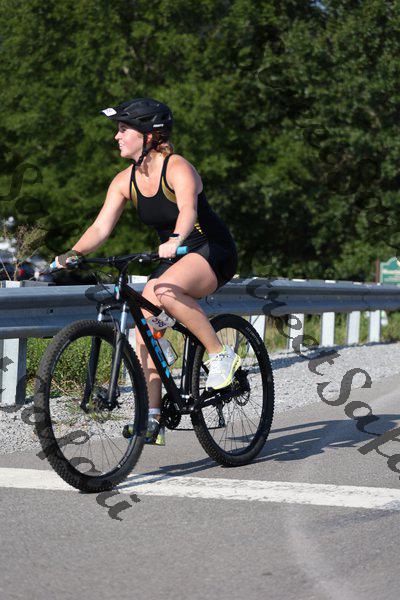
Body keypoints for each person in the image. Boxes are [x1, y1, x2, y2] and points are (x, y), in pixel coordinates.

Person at [54, 97, 240, 445]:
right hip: (176, 256)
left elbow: (188, 210)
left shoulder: (177, 167)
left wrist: (175, 239)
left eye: (124, 130)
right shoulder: (124, 180)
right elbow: (100, 228)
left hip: (210, 249)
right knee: (144, 325)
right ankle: (153, 418)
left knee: (166, 290)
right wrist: (74, 253)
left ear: (149, 135)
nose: (117, 137)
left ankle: (220, 355)